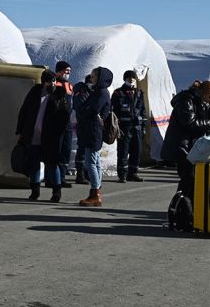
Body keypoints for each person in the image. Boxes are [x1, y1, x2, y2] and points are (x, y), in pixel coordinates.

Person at [160, 80, 210, 201]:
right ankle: (183, 207)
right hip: (182, 145)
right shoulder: (187, 101)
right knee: (188, 178)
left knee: (190, 179)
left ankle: (186, 207)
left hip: (190, 145)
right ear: (204, 94)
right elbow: (189, 123)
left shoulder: (198, 101)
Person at [16, 69, 73, 202]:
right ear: (43, 82)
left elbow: (65, 115)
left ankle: (56, 191)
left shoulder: (60, 94)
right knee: (34, 163)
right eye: (49, 81)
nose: (52, 83)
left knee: (52, 164)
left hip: (50, 136)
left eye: (54, 81)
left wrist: (59, 134)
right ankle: (35, 191)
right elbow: (24, 111)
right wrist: (20, 131)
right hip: (33, 133)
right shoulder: (35, 92)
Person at [76, 67, 113, 207]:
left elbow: (92, 110)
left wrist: (84, 110)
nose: (91, 78)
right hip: (93, 130)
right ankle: (97, 189)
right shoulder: (98, 92)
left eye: (94, 76)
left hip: (93, 131)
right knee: (95, 161)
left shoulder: (101, 93)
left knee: (90, 162)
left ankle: (95, 193)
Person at [111, 69, 146, 182]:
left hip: (137, 127)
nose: (131, 79)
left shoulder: (140, 93)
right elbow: (114, 112)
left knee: (136, 151)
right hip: (124, 127)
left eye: (133, 78)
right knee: (123, 151)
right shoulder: (118, 93)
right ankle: (122, 174)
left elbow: (143, 111)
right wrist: (116, 127)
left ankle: (133, 173)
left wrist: (144, 126)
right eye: (128, 78)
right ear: (124, 79)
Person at [54, 61, 76, 188]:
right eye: (66, 71)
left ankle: (61, 177)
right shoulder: (54, 84)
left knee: (66, 150)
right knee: (56, 150)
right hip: (56, 122)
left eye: (69, 71)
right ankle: (53, 177)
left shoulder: (69, 86)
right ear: (59, 71)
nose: (68, 73)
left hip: (67, 122)